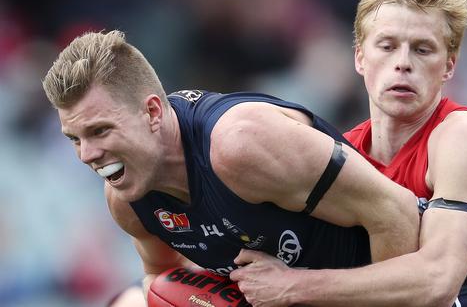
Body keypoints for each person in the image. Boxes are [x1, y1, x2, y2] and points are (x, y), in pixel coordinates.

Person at [229, 0, 467, 307]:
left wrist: (292, 286)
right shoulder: (343, 151)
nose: (403, 63)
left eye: (422, 49)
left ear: (449, 65)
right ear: (360, 57)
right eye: (387, 46)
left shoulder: (465, 137)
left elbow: (438, 282)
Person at [41, 30, 422, 304]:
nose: (87, 155)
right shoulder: (127, 201)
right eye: (74, 138)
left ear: (153, 112)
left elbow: (398, 214)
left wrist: (298, 288)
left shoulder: (240, 145)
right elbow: (162, 281)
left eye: (100, 131)